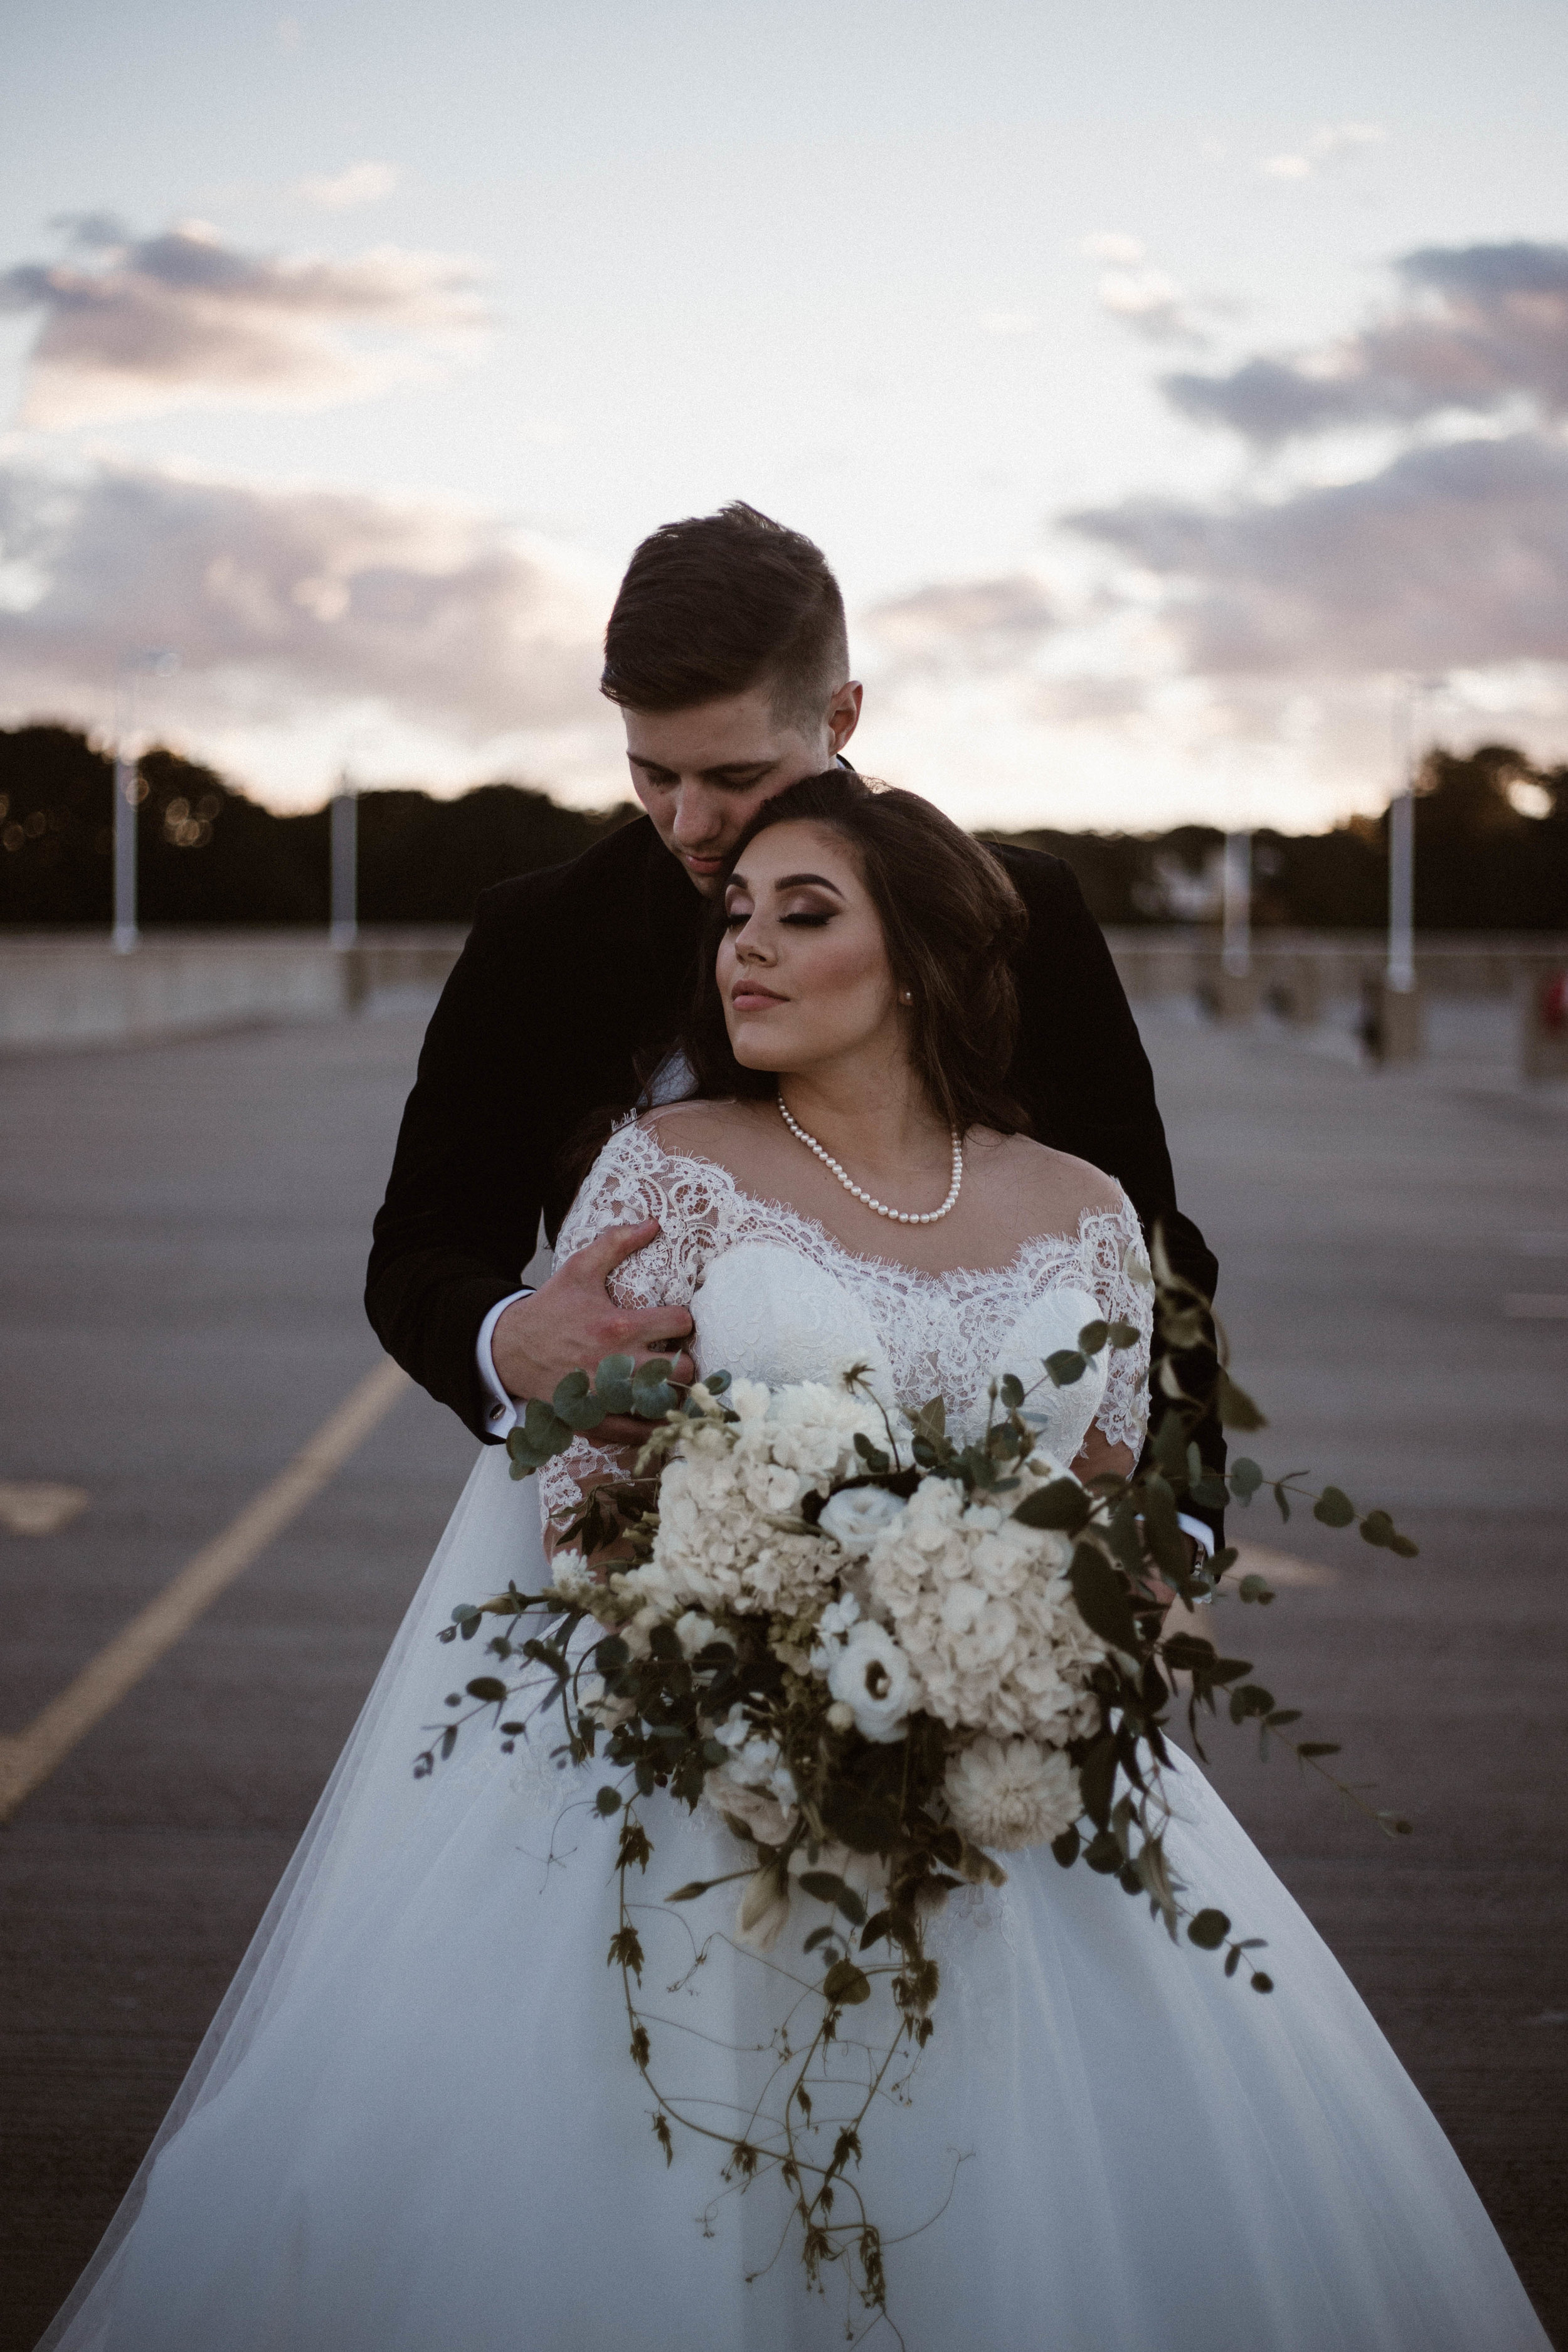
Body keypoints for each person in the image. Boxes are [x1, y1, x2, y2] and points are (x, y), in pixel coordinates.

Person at [42, 773, 1549, 2351]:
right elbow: (583, 1512)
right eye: (734, 917)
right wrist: (783, 1668)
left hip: (1016, 1798)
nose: (743, 949)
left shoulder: (1088, 1212)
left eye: (803, 915)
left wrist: (1063, 1643)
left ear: (917, 962)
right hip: (692, 1789)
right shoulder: (664, 1173)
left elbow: (1118, 1495)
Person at [364, 501, 1222, 1562]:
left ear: (843, 716)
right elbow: (419, 1247)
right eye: (653, 772)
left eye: (733, 776)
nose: (689, 823)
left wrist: (1177, 1528)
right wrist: (511, 1340)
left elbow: (1150, 1251)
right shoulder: (539, 939)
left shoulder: (1016, 914)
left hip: (994, 1591)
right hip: (634, 1571)